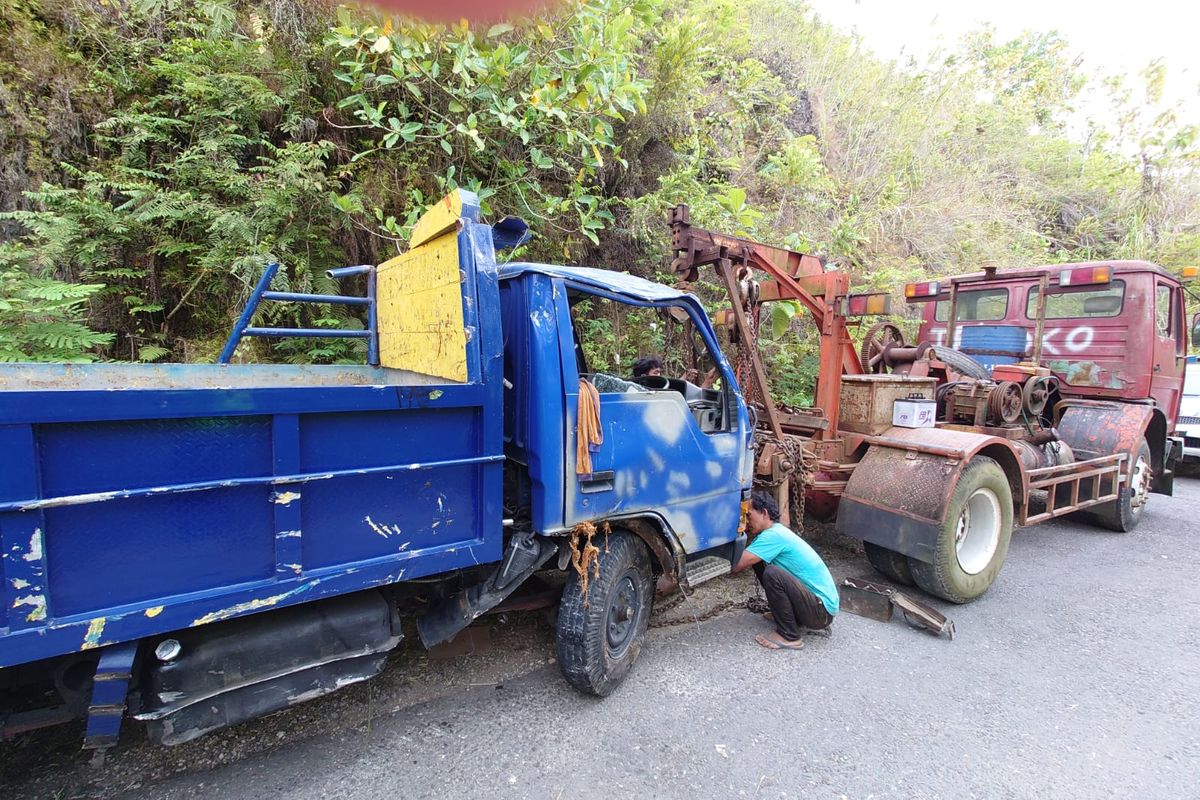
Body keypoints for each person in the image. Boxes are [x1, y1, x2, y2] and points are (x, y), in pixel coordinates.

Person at [732, 492, 839, 650]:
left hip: (820, 613)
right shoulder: (776, 532)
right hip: (817, 608)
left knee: (773, 573)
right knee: (759, 562)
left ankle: (789, 635)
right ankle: (790, 618)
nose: (747, 521)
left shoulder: (773, 536)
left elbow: (736, 566)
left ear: (764, 513)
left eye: (749, 515)